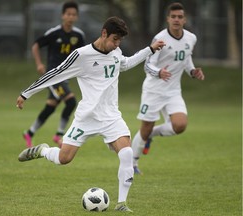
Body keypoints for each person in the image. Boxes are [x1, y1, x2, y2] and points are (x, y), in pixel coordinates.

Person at [16, 16, 165, 212]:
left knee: (127, 153)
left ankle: (121, 203)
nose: (117, 44)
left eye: (119, 41)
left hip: (111, 117)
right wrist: (26, 93)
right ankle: (43, 150)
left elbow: (125, 64)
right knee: (64, 159)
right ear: (104, 33)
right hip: (86, 118)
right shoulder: (81, 55)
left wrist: (150, 49)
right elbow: (55, 73)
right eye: (114, 39)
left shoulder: (116, 51)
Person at [131, 2, 205, 175]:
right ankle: (133, 163)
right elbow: (148, 65)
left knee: (180, 125)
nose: (176, 20)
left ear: (184, 19)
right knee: (145, 127)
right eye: (173, 17)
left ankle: (150, 136)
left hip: (173, 91)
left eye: (180, 17)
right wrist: (159, 72)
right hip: (153, 90)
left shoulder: (191, 38)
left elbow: (186, 59)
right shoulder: (160, 39)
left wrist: (193, 71)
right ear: (168, 19)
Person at [23, 1, 85, 148]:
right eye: (68, 14)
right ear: (63, 15)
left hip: (65, 77)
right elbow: (36, 45)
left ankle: (29, 133)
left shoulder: (78, 35)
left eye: (73, 14)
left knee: (51, 106)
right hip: (52, 76)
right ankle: (59, 135)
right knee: (70, 102)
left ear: (77, 17)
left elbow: (84, 55)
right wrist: (39, 63)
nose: (70, 17)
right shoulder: (54, 33)